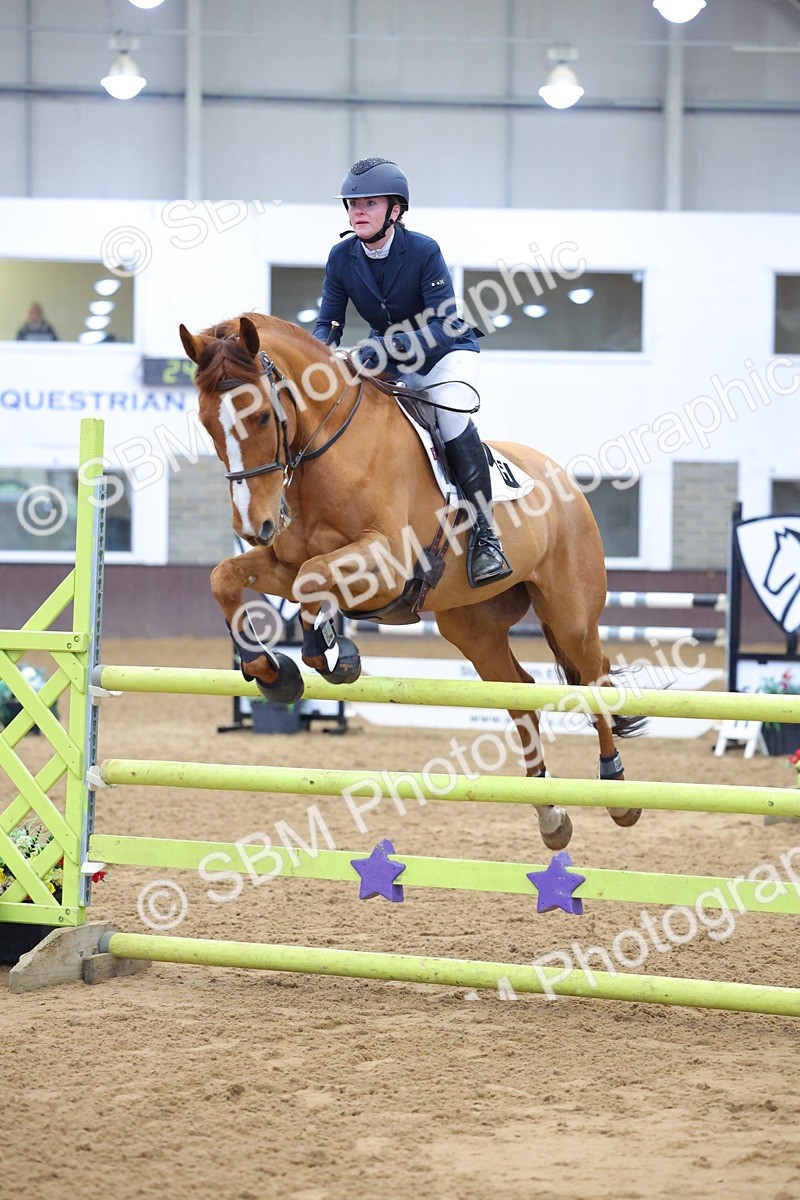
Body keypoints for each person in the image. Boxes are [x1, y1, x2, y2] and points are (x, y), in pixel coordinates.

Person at [313, 157, 511, 588]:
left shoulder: (423, 251)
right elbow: (328, 323)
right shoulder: (342, 257)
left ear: (395, 211)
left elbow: (442, 323)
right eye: (351, 203)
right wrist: (317, 360)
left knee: (451, 416)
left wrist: (384, 349)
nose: (357, 211)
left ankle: (486, 537)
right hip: (389, 358)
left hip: (445, 352)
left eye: (369, 202)